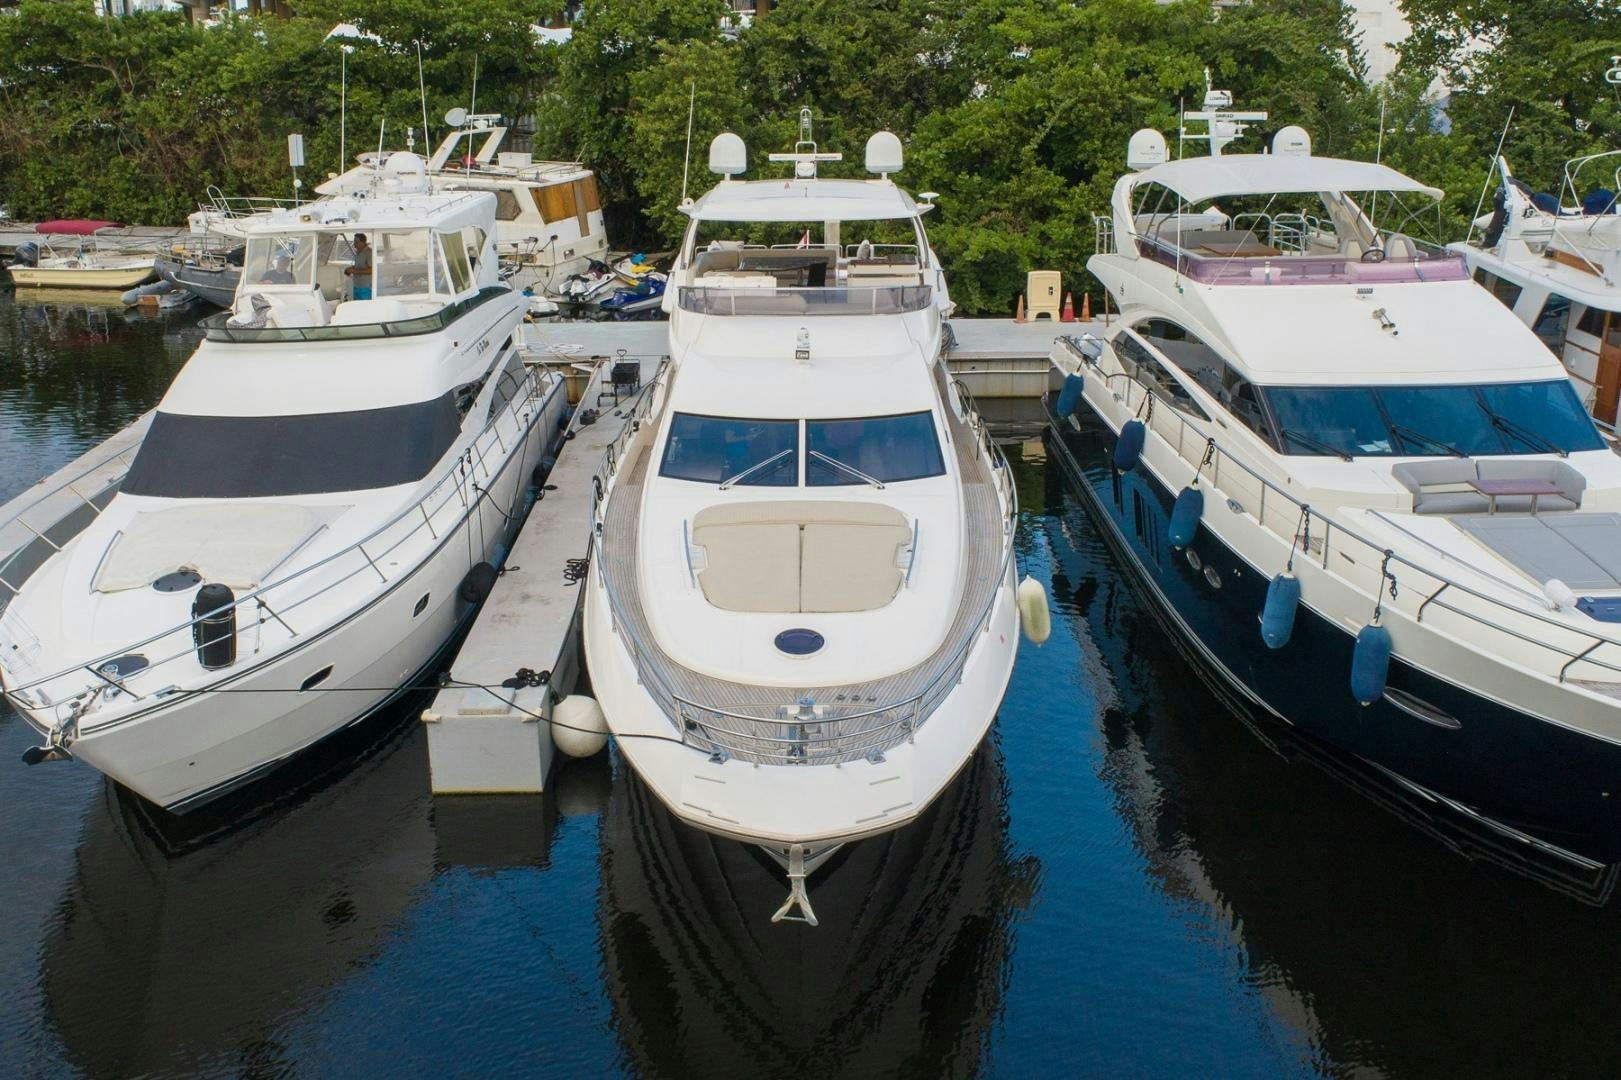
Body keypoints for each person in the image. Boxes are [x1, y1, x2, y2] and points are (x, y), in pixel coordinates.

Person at [345, 233, 373, 299]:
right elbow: (360, 266)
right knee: (357, 307)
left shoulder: (369, 252)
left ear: (363, 242)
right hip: (356, 286)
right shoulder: (358, 252)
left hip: (365, 288)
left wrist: (354, 271)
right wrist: (350, 269)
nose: (354, 244)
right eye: (354, 242)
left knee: (365, 308)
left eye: (356, 242)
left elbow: (371, 270)